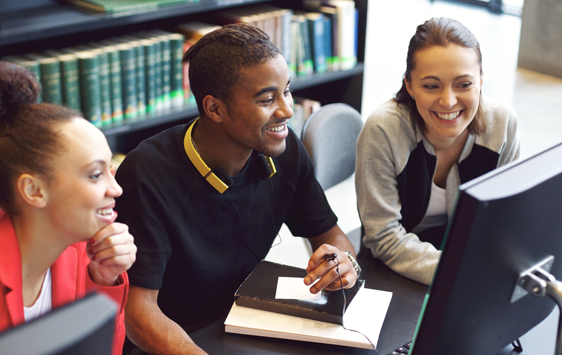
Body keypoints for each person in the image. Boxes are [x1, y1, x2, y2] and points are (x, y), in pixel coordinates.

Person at [115, 23, 360, 354]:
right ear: (215, 108)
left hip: (245, 323)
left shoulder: (284, 151)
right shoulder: (146, 173)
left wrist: (343, 262)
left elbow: (332, 236)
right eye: (267, 99)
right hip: (176, 341)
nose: (287, 110)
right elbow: (139, 314)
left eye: (286, 91)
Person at [0, 61, 137, 355]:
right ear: (33, 191)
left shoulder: (80, 253)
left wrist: (103, 280)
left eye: (110, 170)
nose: (116, 189)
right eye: (95, 175)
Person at [355, 17, 520, 285]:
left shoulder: (502, 124)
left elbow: (507, 217)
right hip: (393, 269)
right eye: (431, 86)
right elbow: (383, 237)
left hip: (469, 260)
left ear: (480, 80)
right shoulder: (383, 129)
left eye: (464, 84)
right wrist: (461, 271)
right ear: (409, 85)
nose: (448, 101)